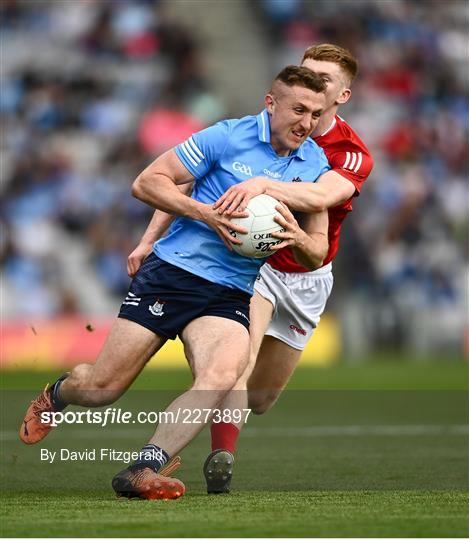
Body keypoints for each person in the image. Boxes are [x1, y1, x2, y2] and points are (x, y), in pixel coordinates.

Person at [19, 66, 331, 500]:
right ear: (271, 102)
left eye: (316, 114)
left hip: (232, 291)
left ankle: (144, 468)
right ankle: (59, 391)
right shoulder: (225, 136)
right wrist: (206, 213)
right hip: (173, 274)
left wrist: (297, 237)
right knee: (102, 388)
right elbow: (147, 182)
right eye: (299, 109)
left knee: (221, 374)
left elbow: (317, 249)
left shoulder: (315, 164)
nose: (307, 122)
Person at [204, 44, 374, 493]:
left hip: (309, 273)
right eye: (306, 72)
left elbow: (320, 198)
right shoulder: (267, 127)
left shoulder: (352, 153)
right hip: (255, 267)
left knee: (261, 399)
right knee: (235, 363)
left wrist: (263, 184)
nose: (312, 82)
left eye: (324, 78)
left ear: (343, 95)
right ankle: (221, 457)